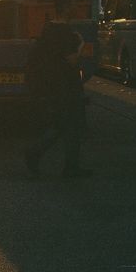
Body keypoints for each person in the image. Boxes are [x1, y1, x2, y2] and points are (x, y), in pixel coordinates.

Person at [23, 21, 91, 178]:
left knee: (64, 125)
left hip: (55, 86)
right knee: (69, 124)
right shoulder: (64, 34)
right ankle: (38, 153)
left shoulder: (48, 35)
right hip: (65, 87)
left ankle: (67, 164)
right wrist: (81, 44)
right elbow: (71, 59)